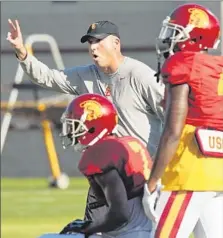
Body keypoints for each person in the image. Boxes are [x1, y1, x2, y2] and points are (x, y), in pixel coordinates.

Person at [142, 3, 223, 238]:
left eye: (175, 33)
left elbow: (173, 131)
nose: (170, 40)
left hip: (188, 173)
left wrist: (153, 181)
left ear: (194, 35)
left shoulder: (184, 65)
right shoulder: (216, 67)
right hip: (218, 174)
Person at [39, 93, 153, 238]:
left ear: (93, 126)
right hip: (146, 228)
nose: (70, 132)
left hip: (129, 232)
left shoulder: (100, 154)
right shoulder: (129, 142)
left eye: (75, 125)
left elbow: (120, 215)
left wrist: (86, 228)